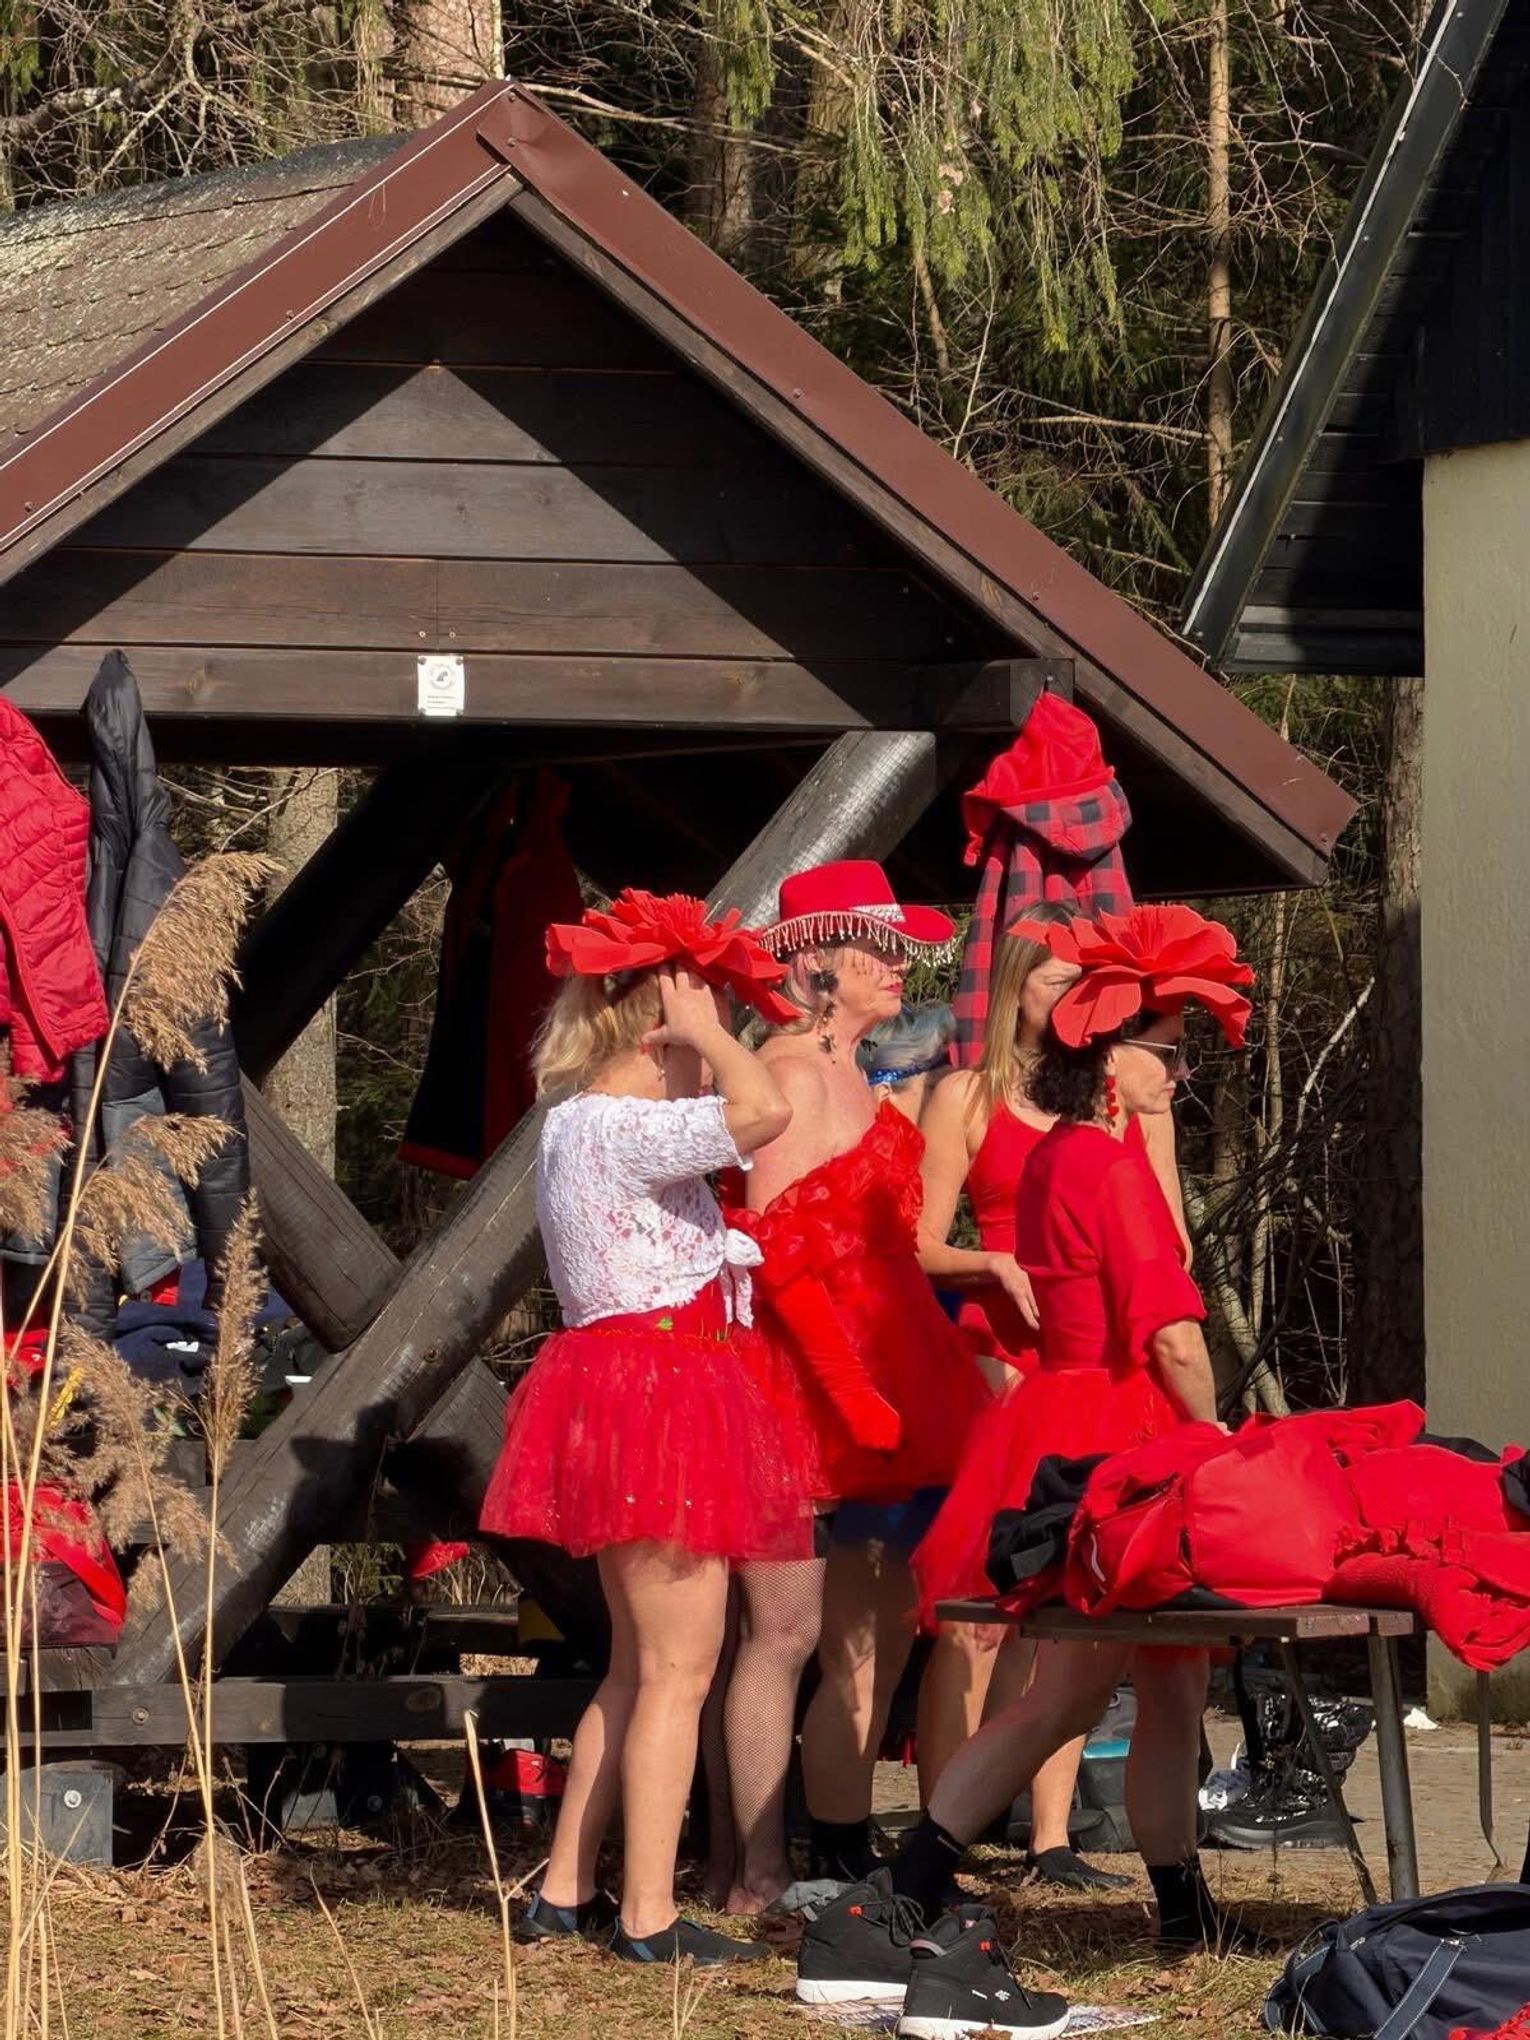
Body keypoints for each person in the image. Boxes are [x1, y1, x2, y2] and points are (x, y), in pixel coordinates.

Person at [797, 905, 1260, 2022]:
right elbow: (1172, 1334)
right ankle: (901, 1890)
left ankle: (1181, 1906)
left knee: (1164, 1681)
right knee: (1076, 1687)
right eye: (1165, 1051)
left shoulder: (1057, 1154)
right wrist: (1215, 1444)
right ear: (1111, 1054)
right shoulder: (1105, 1166)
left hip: (1069, 1414)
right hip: (1123, 1432)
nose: (1177, 1073)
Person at [479, 888, 817, 1965]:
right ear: (657, 1022)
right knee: (679, 1671)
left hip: (624, 1390)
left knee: (636, 1668)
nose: (715, 1053)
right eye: (704, 1020)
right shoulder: (627, 1127)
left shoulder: (576, 1124)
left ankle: (566, 1888)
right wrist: (709, 1029)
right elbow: (766, 1111)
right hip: (662, 1397)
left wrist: (701, 1028)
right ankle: (649, 1916)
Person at [713, 861, 992, 1911]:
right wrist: (848, 1391)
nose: (901, 968)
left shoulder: (850, 1070)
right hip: (796, 1383)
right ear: (819, 961)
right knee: (780, 1634)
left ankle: (802, 1852)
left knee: (859, 1626)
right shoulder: (785, 1071)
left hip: (880, 1363)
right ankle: (757, 1870)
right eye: (883, 949)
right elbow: (776, 1253)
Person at [909, 907, 1185, 1886]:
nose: (1072, 1002)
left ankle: (1052, 1837)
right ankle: (941, 1838)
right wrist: (991, 1263)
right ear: (1014, 989)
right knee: (980, 1614)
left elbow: (1170, 1243)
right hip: (1003, 1365)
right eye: (1055, 983)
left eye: (1084, 986)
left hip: (1100, 1368)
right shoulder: (967, 1094)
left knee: (1074, 1604)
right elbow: (916, 1241)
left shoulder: (1123, 1101)